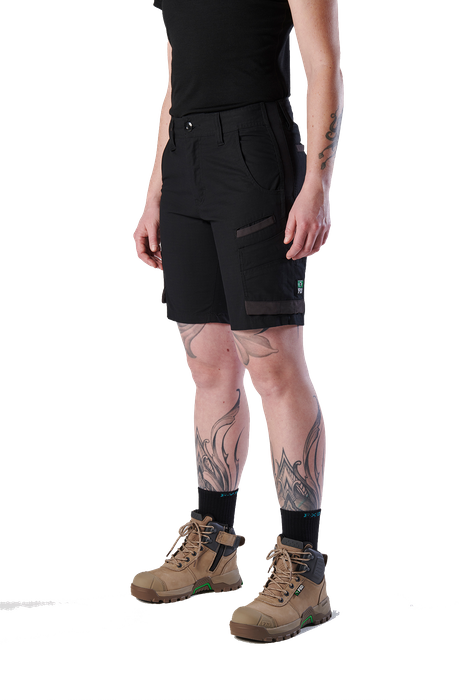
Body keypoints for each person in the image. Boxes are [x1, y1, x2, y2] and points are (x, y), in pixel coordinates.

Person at [130, 0, 345, 645]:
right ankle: (214, 543)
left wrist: (317, 184)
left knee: (272, 362)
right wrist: (156, 189)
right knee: (208, 364)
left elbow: (323, 64)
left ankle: (303, 566)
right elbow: (177, 73)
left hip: (256, 153)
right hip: (186, 157)